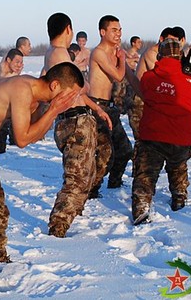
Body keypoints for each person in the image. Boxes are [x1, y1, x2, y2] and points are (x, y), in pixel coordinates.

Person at [0, 62, 84, 287]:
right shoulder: (22, 89)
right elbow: (22, 139)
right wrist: (54, 110)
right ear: (55, 85)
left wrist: (48, 111)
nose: (70, 103)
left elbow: (35, 134)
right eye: (69, 96)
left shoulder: (33, 95)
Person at [42, 13, 111, 239]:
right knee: (77, 179)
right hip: (74, 121)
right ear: (69, 29)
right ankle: (58, 227)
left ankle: (75, 205)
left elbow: (76, 91)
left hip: (78, 116)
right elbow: (81, 88)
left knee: (93, 166)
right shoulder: (60, 54)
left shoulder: (53, 54)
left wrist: (98, 109)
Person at [131, 38, 191, 225]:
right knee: (178, 168)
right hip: (181, 139)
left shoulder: (150, 78)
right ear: (181, 56)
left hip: (152, 136)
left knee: (146, 174)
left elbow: (145, 91)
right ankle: (179, 196)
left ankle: (142, 204)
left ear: (160, 56)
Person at [88, 15, 134, 192]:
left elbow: (128, 76)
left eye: (120, 30)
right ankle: (92, 188)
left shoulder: (114, 52)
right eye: (114, 30)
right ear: (102, 32)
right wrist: (122, 59)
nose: (118, 34)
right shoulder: (99, 52)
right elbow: (119, 76)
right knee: (104, 153)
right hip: (96, 106)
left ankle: (114, 182)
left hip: (109, 106)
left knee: (124, 150)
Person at [131, 26, 186, 140]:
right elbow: (161, 77)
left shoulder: (168, 54)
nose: (172, 44)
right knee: (144, 137)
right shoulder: (152, 53)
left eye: (175, 41)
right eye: (169, 40)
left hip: (154, 96)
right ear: (161, 39)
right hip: (140, 97)